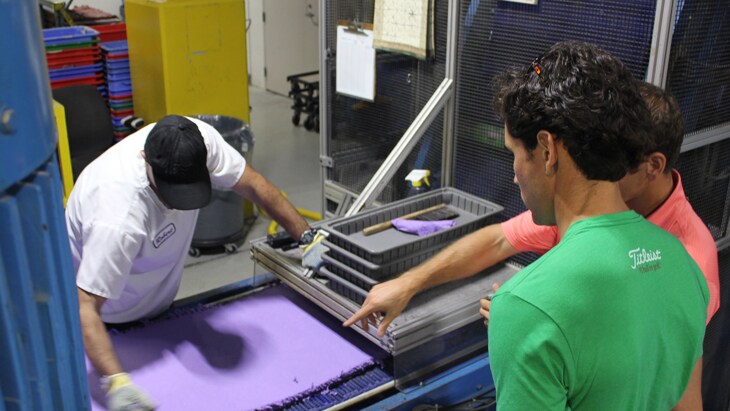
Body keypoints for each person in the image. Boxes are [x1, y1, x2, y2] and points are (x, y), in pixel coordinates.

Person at [346, 41, 709, 409]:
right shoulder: (683, 263)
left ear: (548, 151)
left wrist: (519, 317)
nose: (515, 174)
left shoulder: (525, 307)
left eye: (514, 153)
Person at [66, 115, 315, 411]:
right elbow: (86, 308)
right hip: (112, 317)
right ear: (145, 160)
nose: (176, 205)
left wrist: (307, 238)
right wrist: (117, 382)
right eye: (170, 194)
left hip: (158, 305)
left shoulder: (198, 141)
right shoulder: (117, 217)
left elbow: (254, 185)